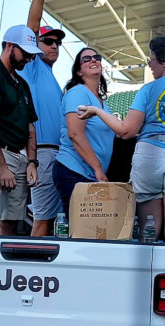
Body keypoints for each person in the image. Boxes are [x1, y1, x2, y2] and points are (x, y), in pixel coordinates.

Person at [77, 35, 165, 243]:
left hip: (149, 156)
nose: (149, 64)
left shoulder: (148, 89)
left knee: (148, 231)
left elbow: (126, 131)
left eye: (151, 59)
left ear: (164, 61)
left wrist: (97, 111)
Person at [0, 25, 42, 236]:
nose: (29, 59)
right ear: (10, 47)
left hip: (20, 157)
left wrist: (32, 162)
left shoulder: (22, 83)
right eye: (26, 53)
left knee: (12, 221)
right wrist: (1, 166)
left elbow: (31, 128)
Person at [18, 0, 65, 236]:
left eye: (57, 42)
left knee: (55, 222)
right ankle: (30, 270)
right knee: (43, 221)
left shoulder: (52, 78)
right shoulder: (32, 66)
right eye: (48, 41)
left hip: (57, 154)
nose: (54, 45)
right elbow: (33, 24)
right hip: (42, 152)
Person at [53, 47, 114, 220]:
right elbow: (75, 134)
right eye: (86, 59)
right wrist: (98, 168)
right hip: (75, 171)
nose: (93, 60)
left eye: (96, 57)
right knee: (79, 231)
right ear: (79, 71)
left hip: (88, 174)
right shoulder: (78, 92)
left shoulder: (102, 102)